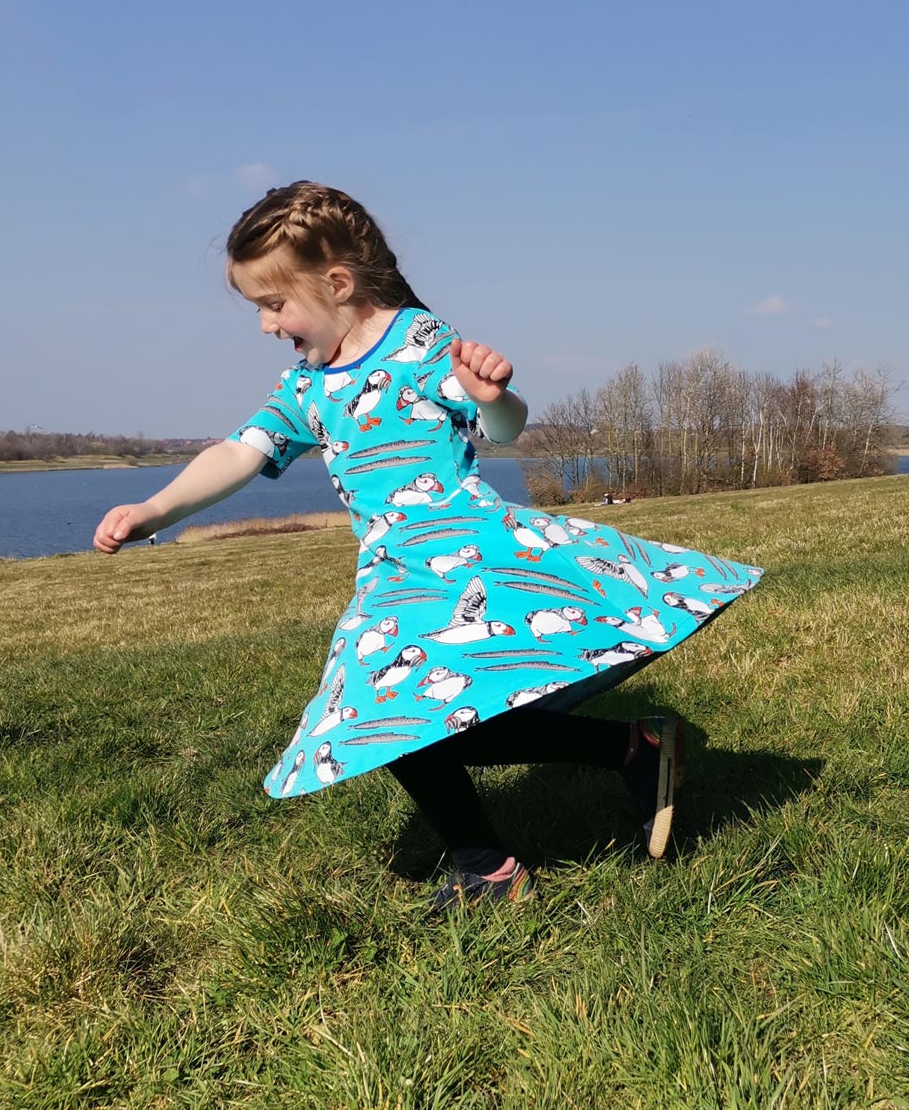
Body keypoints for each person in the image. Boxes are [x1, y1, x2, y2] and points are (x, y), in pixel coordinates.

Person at [94, 182, 762, 911]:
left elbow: (505, 429)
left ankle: (492, 869)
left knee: (404, 712)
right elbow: (238, 452)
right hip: (392, 573)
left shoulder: (420, 343)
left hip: (467, 553)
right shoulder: (307, 386)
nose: (263, 324)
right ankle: (628, 754)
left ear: (336, 284)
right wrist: (155, 509)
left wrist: (492, 395)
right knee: (402, 717)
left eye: (272, 303)